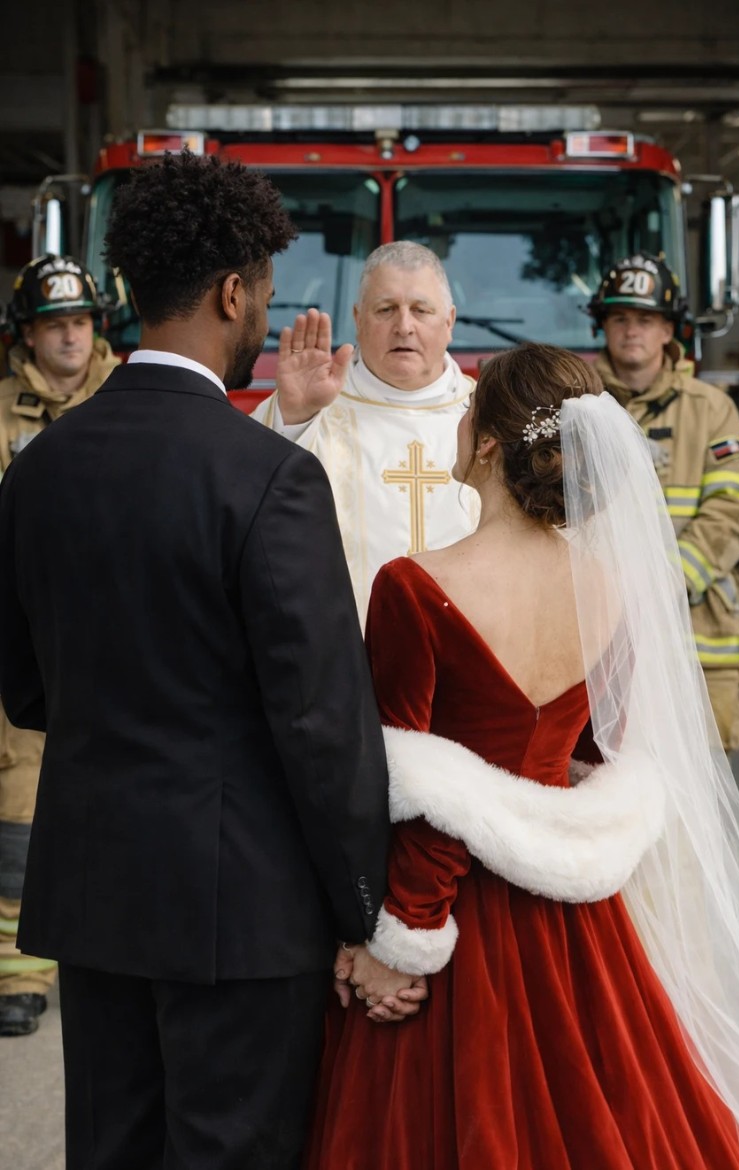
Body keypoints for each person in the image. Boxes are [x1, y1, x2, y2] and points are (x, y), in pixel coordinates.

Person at [0, 152, 396, 1170]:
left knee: (113, 1150)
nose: (266, 312)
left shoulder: (41, 468)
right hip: (242, 916)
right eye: (264, 290)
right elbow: (322, 723)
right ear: (231, 293)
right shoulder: (271, 478)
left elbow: (27, 686)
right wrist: (366, 909)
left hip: (95, 898)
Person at [304, 343, 739, 1169]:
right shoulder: (612, 583)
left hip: (455, 921)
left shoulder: (415, 586)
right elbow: (596, 751)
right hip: (575, 923)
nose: (456, 418)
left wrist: (394, 944)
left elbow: (416, 787)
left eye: (468, 408)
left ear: (489, 444)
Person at [0, 254, 119, 1037]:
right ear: (28, 336)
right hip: (23, 628)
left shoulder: (130, 396)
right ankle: (20, 969)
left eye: (79, 321)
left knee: (119, 791)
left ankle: (108, 951)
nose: (69, 337)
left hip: (116, 632)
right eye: (53, 325)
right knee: (19, 797)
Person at [252, 241, 478, 625]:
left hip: (470, 657)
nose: (404, 326)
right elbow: (249, 502)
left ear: (450, 321)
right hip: (349, 657)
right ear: (358, 318)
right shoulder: (312, 405)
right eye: (386, 309)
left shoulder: (489, 415)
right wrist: (291, 417)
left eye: (421, 310)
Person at [588, 252, 739, 753]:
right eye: (620, 318)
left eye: (645, 319)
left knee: (697, 778)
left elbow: (734, 508)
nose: (631, 330)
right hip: (604, 634)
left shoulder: (710, 409)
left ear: (668, 331)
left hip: (697, 637)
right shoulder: (580, 405)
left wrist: (669, 581)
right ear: (604, 327)